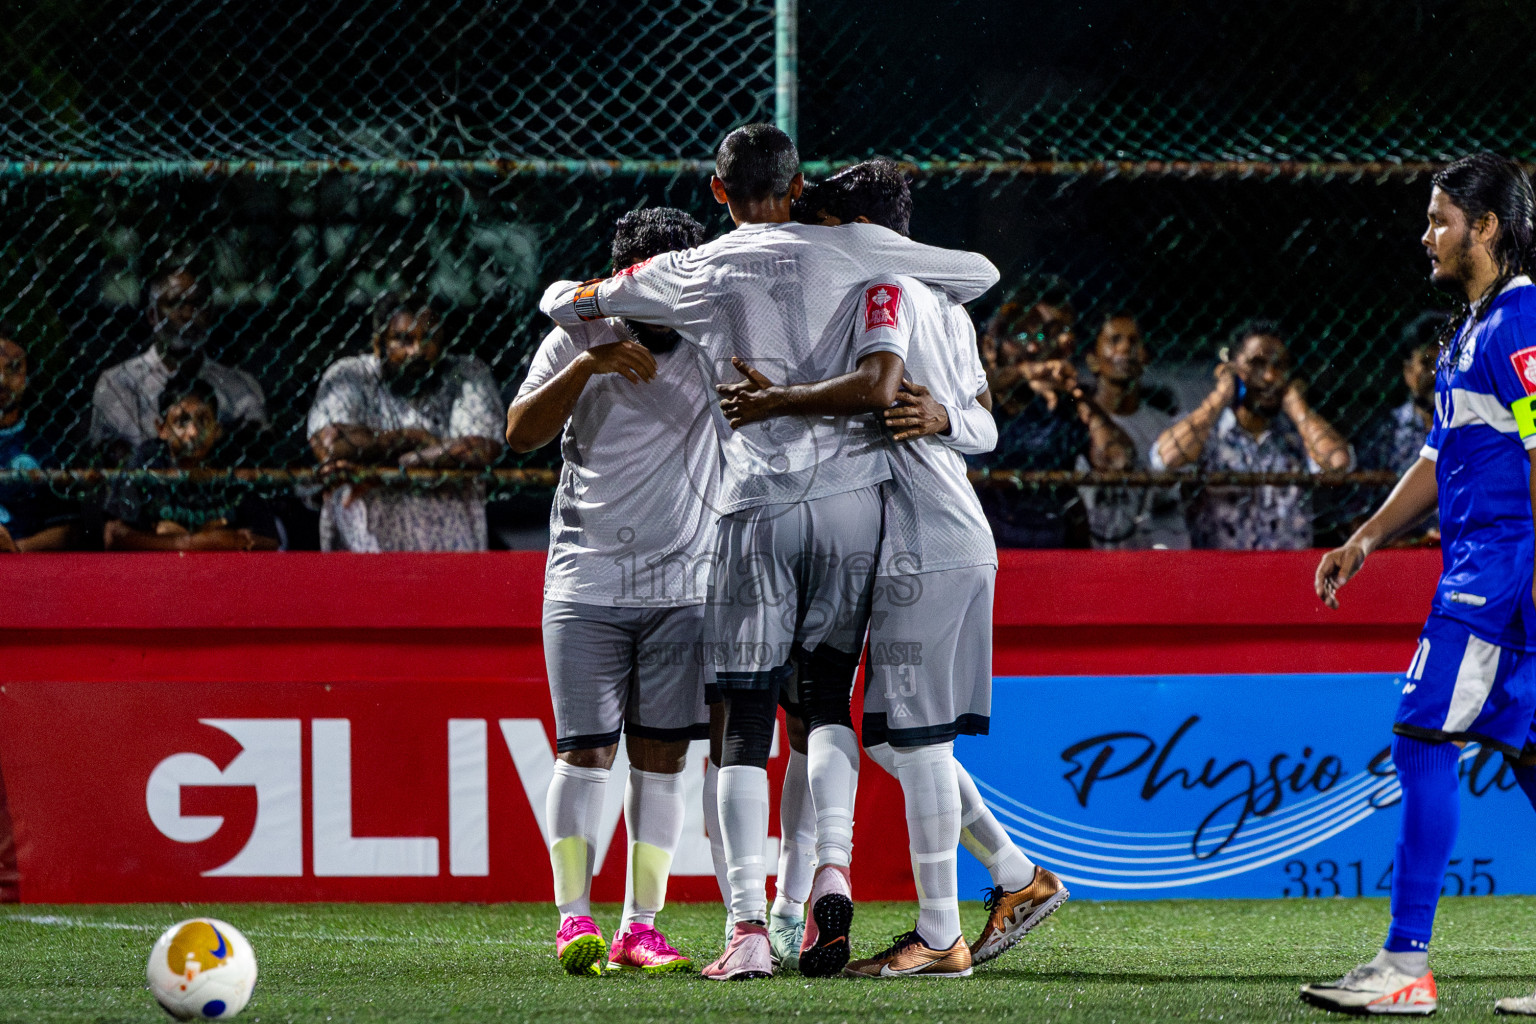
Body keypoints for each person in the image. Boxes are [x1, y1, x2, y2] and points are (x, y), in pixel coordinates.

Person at [541, 124, 999, 981]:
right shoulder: (853, 248)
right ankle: (830, 867)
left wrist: (589, 295)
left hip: (753, 507)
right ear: (796, 186)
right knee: (826, 701)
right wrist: (882, 247)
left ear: (717, 193)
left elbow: (570, 302)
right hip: (853, 505)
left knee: (744, 725)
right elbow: (978, 273)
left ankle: (747, 927)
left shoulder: (698, 266)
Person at [727, 159, 1068, 979]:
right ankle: (1017, 878)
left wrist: (777, 401)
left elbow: (878, 382)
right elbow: (985, 425)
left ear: (852, 231)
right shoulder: (949, 306)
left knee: (911, 745)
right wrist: (951, 416)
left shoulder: (884, 291)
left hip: (925, 541)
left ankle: (941, 934)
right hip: (949, 536)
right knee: (892, 738)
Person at [1304, 153, 1536, 1018]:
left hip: (1499, 573)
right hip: (1492, 569)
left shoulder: (1522, 318)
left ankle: (1406, 965)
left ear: (1487, 227)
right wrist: (1365, 537)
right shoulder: (1472, 329)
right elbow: (1440, 458)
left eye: (1442, 218)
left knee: (1420, 739)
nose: (1427, 233)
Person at [507, 207, 717, 977]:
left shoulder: (712, 343)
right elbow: (520, 432)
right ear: (627, 282)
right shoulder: (577, 336)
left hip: (683, 585)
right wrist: (587, 366)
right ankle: (573, 920)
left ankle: (642, 926)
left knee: (663, 762)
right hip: (585, 580)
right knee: (585, 753)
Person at [307, 294, 504, 552]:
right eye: (404, 340)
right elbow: (331, 444)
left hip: (451, 549)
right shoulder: (350, 375)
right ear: (379, 345)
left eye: (429, 338)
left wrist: (385, 470)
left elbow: (479, 448)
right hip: (364, 548)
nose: (418, 351)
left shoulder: (465, 374)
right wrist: (416, 440)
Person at [1153, 320, 1353, 549]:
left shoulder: (1297, 434)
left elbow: (1338, 462)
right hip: (1224, 574)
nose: (1269, 376)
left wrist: (1299, 410)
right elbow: (1166, 459)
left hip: (1289, 574)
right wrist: (1220, 396)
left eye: (1279, 366)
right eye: (1256, 364)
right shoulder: (1208, 432)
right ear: (1233, 370)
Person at [968, 295, 1134, 548]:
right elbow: (970, 386)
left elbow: (1118, 460)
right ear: (991, 347)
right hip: (982, 544)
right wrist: (1025, 372)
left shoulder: (1062, 408)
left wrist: (1077, 395)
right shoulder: (976, 399)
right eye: (1021, 338)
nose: (1034, 348)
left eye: (1042, 337)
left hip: (1051, 547)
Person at [89, 267, 268, 466]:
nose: (188, 314)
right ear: (152, 315)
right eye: (175, 303)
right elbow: (121, 458)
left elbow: (257, 456)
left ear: (209, 315)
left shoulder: (241, 387)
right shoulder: (118, 382)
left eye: (198, 304)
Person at [102, 374, 280, 551]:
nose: (193, 432)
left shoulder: (233, 463)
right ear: (162, 429)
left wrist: (228, 539)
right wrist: (190, 542)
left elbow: (268, 540)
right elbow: (114, 535)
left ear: (217, 430)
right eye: (181, 421)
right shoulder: (146, 460)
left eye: (203, 421)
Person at [1079, 312, 1189, 549]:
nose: (1126, 348)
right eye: (1114, 340)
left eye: (1134, 341)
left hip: (1149, 552)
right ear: (1093, 360)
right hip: (1091, 553)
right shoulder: (1076, 421)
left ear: (1146, 356)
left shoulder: (1164, 427)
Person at [1354, 312, 1449, 543]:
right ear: (1408, 372)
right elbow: (1354, 513)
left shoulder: (1474, 426)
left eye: (1444, 362)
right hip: (1404, 558)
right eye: (1426, 362)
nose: (1436, 373)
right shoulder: (1385, 433)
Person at [0, 326, 74, 553]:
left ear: (28, 377)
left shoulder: (49, 445)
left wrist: (16, 549)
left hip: (27, 561)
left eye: (13, 368)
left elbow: (69, 528)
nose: (1, 380)